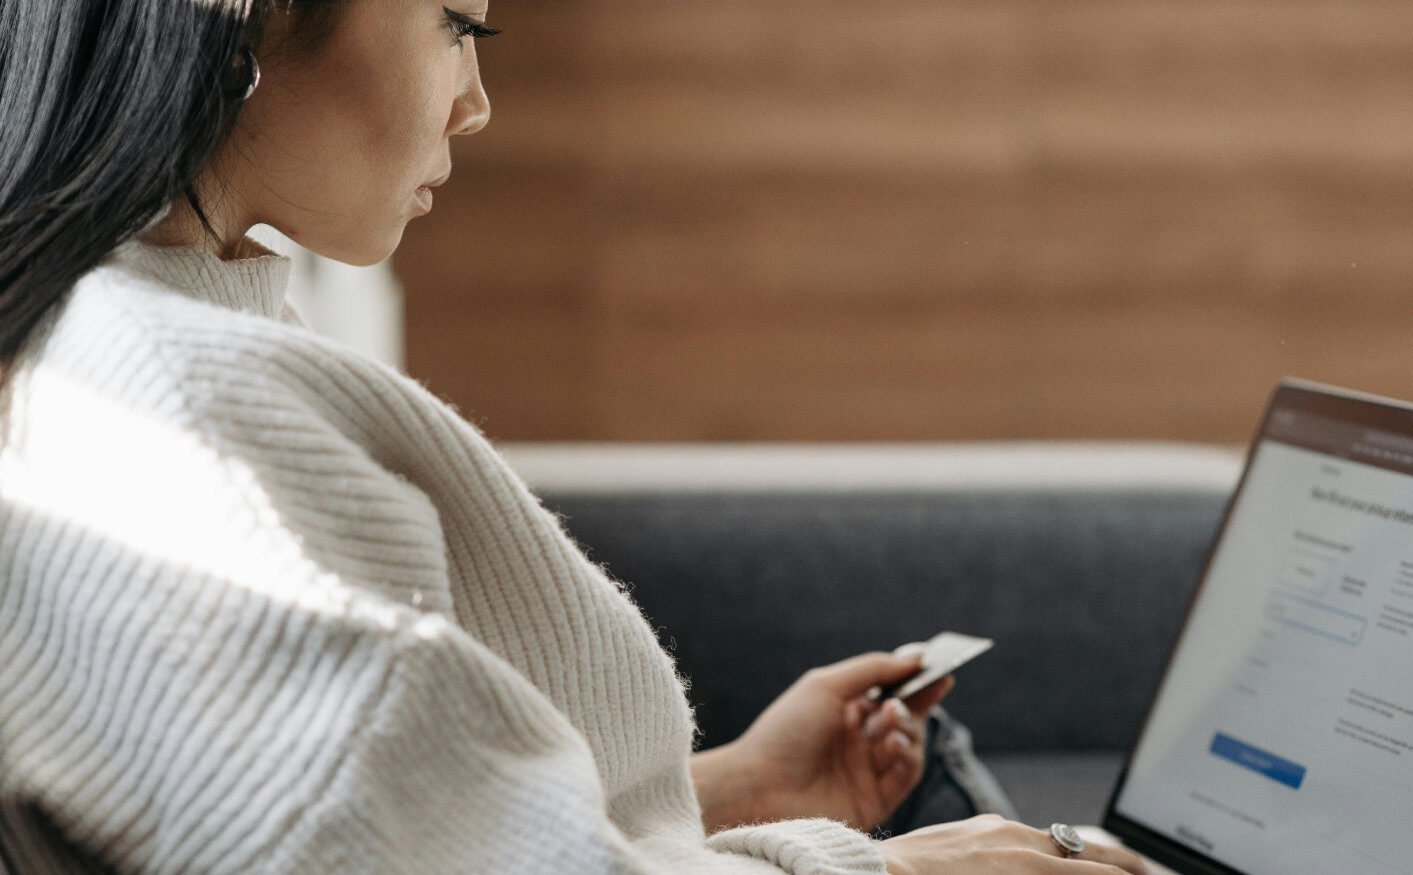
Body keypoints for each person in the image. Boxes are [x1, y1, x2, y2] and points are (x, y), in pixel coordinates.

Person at [0, 2, 1147, 873]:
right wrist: (885, 869)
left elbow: (406, 823)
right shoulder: (177, 408)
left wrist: (733, 788)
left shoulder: (152, 327)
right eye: (455, 27)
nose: (476, 100)